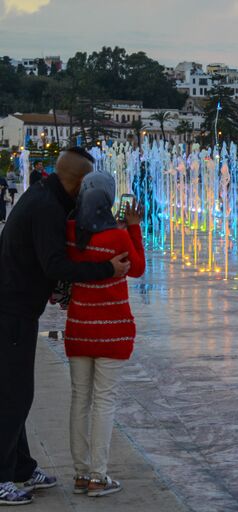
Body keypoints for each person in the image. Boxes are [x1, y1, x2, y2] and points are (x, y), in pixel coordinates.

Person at [0, 148, 130, 506]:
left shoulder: (44, 195)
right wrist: (107, 270)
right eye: (87, 181)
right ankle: (2, 477)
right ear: (78, 181)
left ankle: (22, 468)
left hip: (17, 309)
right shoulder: (46, 208)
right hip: (11, 310)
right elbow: (55, 264)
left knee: (16, 393)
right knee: (12, 396)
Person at [65, 173, 145, 498]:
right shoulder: (118, 237)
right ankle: (99, 476)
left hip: (79, 328)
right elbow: (138, 268)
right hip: (112, 332)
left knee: (79, 400)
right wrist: (134, 226)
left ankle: (82, 474)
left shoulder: (70, 234)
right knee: (104, 401)